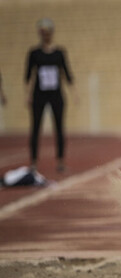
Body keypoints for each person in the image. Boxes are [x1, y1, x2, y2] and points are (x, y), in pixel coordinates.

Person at [25, 18, 75, 173]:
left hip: (56, 95)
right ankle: (33, 162)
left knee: (59, 127)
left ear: (52, 33)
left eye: (48, 32)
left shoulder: (59, 53)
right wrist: (27, 95)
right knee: (36, 127)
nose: (45, 35)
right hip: (39, 95)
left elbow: (67, 74)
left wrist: (75, 93)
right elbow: (28, 76)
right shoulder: (34, 53)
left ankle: (60, 161)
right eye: (42, 32)